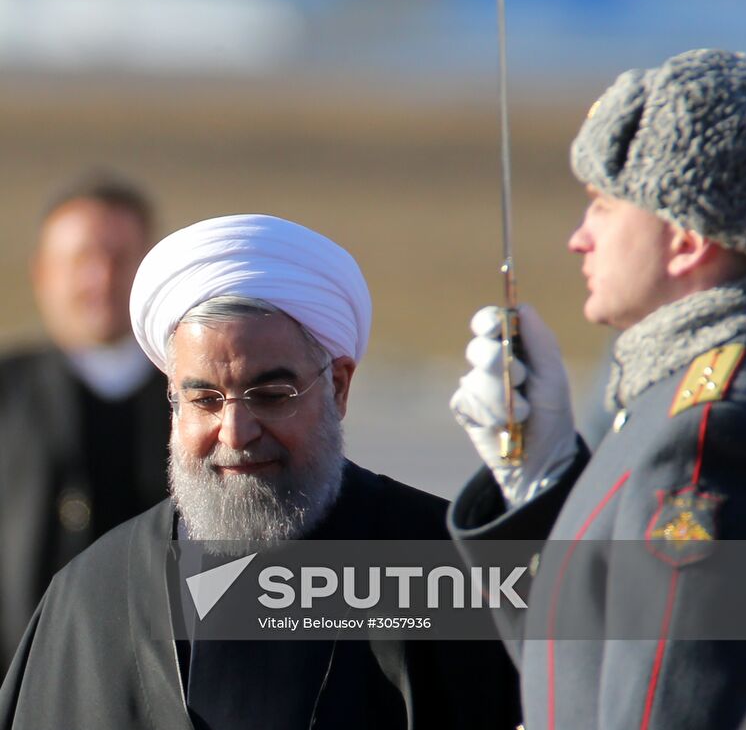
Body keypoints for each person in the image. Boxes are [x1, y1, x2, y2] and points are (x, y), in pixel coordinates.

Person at [0, 213, 521, 730]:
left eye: (271, 396)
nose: (235, 432)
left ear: (339, 386)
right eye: (204, 399)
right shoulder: (92, 595)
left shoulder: (444, 574)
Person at [449, 48, 746, 729]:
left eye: (603, 206)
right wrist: (542, 479)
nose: (578, 239)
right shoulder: (667, 398)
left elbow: (666, 705)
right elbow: (583, 659)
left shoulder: (706, 431)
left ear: (685, 240)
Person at [0, 176, 169, 677]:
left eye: (121, 259)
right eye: (80, 260)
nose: (101, 278)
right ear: (42, 274)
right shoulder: (6, 393)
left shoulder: (209, 402)